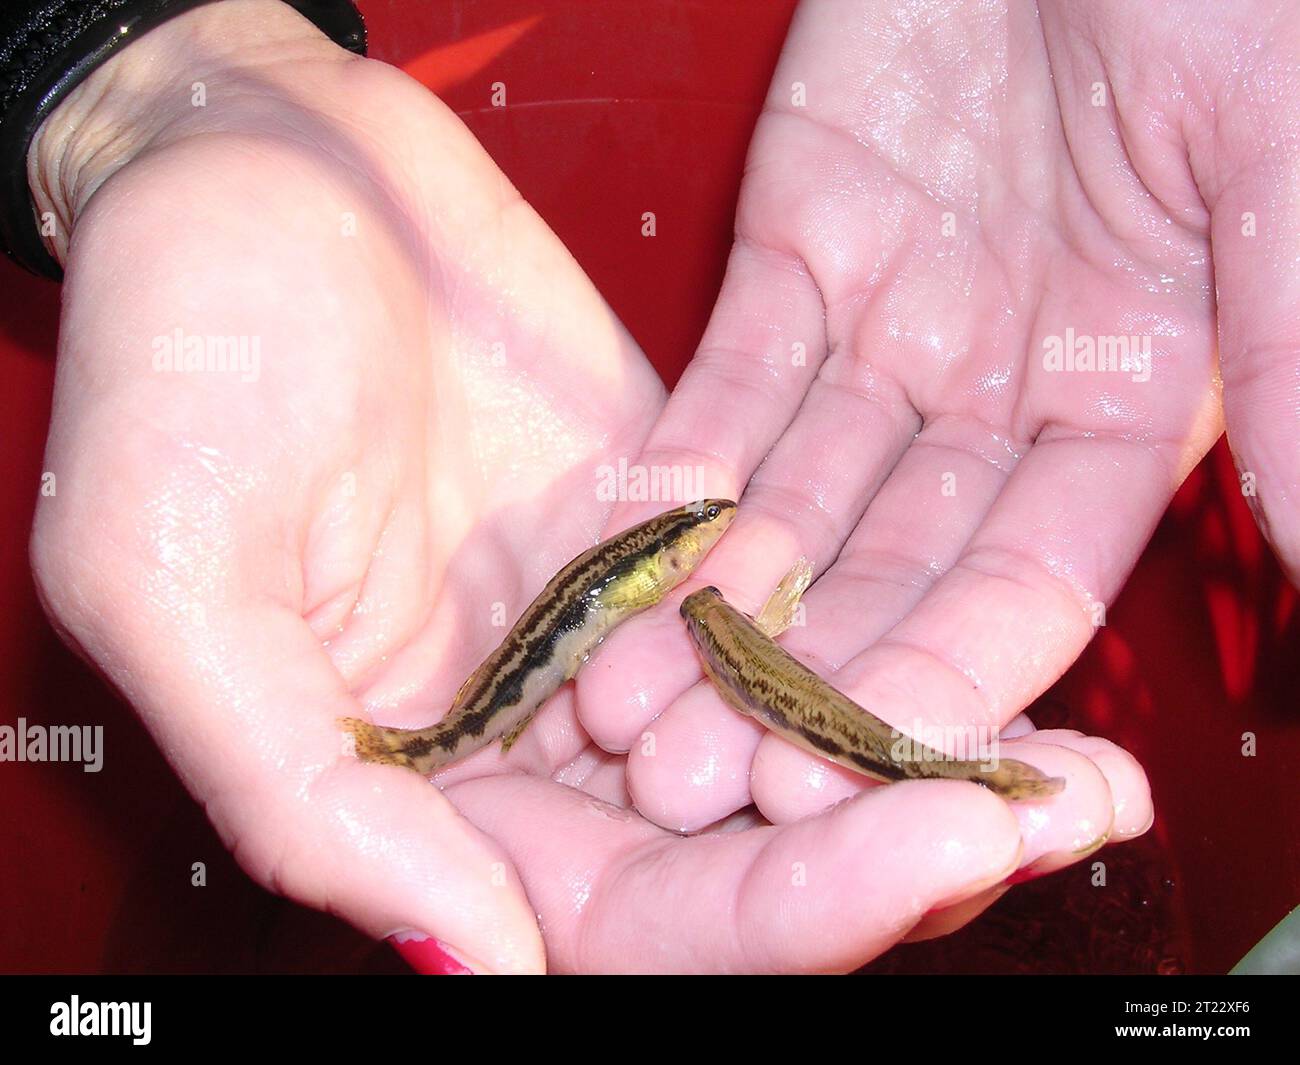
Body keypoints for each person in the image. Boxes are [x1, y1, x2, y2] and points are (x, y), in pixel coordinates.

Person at [9, 0, 1294, 974]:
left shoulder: (700, 604)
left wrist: (156, 68)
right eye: (673, 567)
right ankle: (435, 740)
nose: (687, 572)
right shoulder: (669, 602)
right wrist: (173, 80)